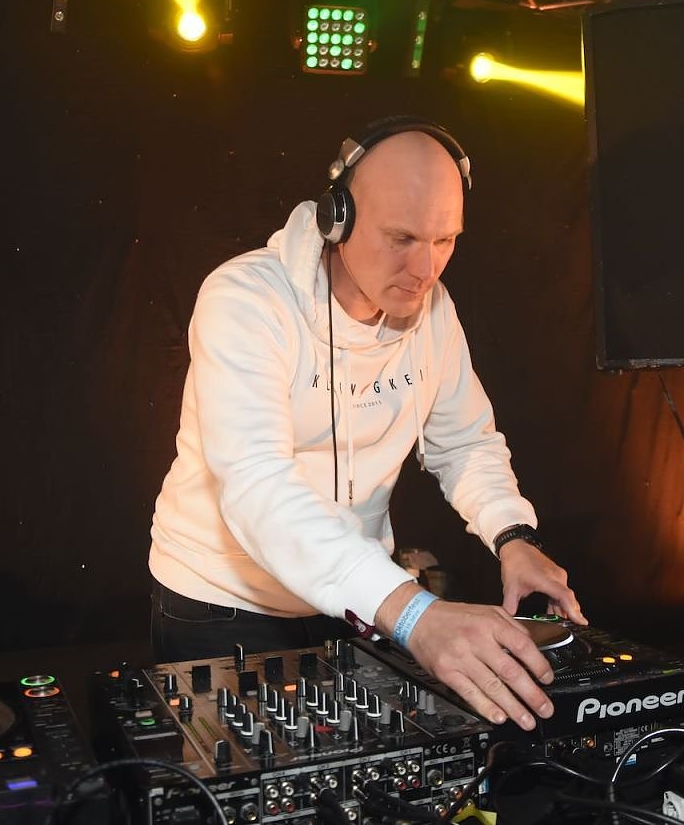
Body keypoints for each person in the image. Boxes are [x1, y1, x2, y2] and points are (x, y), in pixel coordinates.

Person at [148, 116, 586, 731]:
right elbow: (256, 483)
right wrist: (413, 614)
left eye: (445, 240)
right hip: (224, 603)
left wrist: (514, 536)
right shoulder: (245, 299)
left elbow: (465, 442)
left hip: (358, 597)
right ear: (339, 218)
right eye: (402, 237)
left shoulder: (432, 308)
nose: (425, 268)